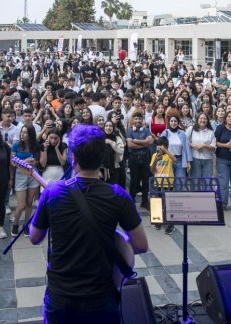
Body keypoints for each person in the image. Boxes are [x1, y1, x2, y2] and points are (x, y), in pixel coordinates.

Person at [29, 124, 148, 324]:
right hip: (100, 296)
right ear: (102, 158)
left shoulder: (53, 192)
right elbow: (141, 245)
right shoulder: (118, 195)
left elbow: (34, 237)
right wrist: (117, 239)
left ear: (73, 158)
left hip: (61, 295)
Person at [11, 125, 41, 237]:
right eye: (22, 132)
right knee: (21, 204)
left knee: (29, 202)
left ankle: (26, 225)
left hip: (33, 174)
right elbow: (12, 162)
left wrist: (35, 162)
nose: (23, 134)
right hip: (20, 175)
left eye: (25, 132)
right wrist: (24, 161)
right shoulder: (16, 145)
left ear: (31, 134)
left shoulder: (35, 146)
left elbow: (39, 161)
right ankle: (15, 224)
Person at [150, 136, 176, 234]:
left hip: (168, 183)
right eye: (159, 146)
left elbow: (174, 160)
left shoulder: (169, 155)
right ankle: (158, 221)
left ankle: (170, 224)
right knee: (157, 202)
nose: (160, 148)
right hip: (158, 183)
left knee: (168, 204)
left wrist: (166, 151)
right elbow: (152, 170)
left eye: (163, 146)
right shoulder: (154, 156)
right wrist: (156, 160)